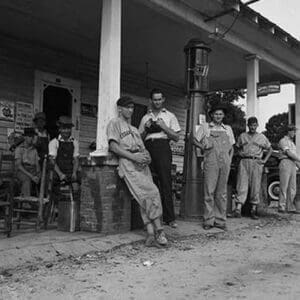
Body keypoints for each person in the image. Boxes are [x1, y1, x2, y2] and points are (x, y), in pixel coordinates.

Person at [107, 96, 168, 247]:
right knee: (151, 192)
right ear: (120, 109)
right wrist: (133, 157)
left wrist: (147, 157)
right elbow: (114, 147)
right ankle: (160, 231)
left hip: (141, 164)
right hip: (128, 163)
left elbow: (143, 148)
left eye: (132, 107)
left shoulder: (134, 129)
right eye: (127, 107)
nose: (130, 110)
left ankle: (150, 233)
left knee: (142, 198)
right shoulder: (114, 123)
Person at [139, 88, 181, 228]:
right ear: (151, 101)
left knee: (165, 182)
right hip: (148, 148)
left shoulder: (170, 116)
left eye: (159, 99)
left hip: (163, 148)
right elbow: (140, 139)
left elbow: (176, 137)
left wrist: (164, 127)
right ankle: (152, 217)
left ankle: (169, 218)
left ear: (163, 100)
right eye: (154, 99)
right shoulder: (145, 117)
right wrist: (146, 129)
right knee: (149, 184)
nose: (157, 102)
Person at [194, 104, 235, 230]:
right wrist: (203, 147)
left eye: (221, 114)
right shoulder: (205, 127)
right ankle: (208, 220)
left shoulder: (227, 128)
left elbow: (232, 147)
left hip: (225, 162)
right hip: (211, 161)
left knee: (221, 192)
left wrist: (229, 160)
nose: (218, 116)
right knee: (209, 191)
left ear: (223, 116)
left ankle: (220, 220)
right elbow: (194, 140)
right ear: (212, 115)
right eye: (216, 114)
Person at [233, 117, 272, 219]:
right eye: (251, 125)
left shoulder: (261, 137)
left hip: (256, 162)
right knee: (241, 184)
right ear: (248, 125)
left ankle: (253, 210)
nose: (252, 127)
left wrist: (264, 161)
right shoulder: (242, 136)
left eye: (254, 125)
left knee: (255, 185)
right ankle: (238, 209)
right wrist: (240, 154)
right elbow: (237, 148)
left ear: (257, 125)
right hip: (244, 161)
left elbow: (270, 149)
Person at [48, 116, 80, 192]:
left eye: (68, 128)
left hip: (70, 171)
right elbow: (52, 161)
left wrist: (74, 172)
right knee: (53, 182)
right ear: (60, 129)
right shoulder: (54, 142)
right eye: (64, 128)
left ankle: (75, 201)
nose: (66, 131)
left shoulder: (75, 142)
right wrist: (60, 174)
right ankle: (54, 202)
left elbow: (76, 159)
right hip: (57, 171)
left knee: (81, 180)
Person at [278, 124, 300, 214]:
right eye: (293, 131)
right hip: (285, 161)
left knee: (292, 186)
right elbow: (288, 153)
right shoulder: (283, 141)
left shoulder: (292, 143)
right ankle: (281, 206)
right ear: (289, 131)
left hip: (292, 164)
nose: (294, 133)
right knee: (284, 185)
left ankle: (290, 206)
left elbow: (294, 157)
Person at [15, 127, 41, 196]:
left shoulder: (34, 149)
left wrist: (38, 175)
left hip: (32, 170)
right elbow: (19, 166)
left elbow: (37, 164)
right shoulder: (19, 149)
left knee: (42, 179)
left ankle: (39, 202)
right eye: (29, 136)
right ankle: (26, 202)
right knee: (27, 179)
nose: (31, 138)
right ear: (25, 137)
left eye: (32, 136)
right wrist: (31, 176)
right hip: (22, 171)